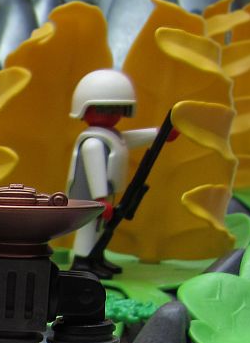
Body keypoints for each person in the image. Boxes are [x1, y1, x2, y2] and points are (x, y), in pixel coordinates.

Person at [67, 69, 177, 278]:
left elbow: (126, 140)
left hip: (105, 195)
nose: (110, 114)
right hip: (90, 198)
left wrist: (159, 134)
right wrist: (100, 199)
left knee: (101, 228)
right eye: (102, 109)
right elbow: (95, 170)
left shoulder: (110, 136)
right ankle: (82, 262)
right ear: (85, 109)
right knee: (88, 228)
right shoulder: (93, 143)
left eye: (115, 109)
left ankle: (96, 258)